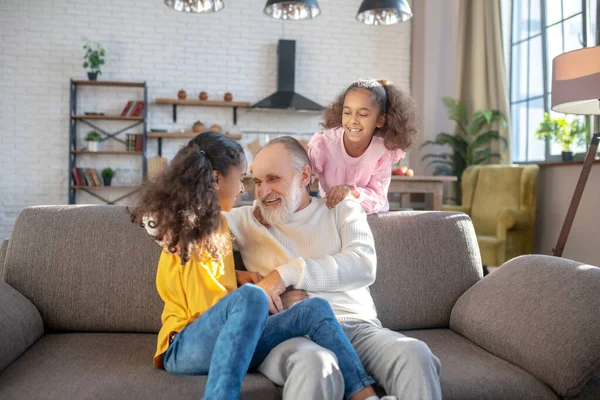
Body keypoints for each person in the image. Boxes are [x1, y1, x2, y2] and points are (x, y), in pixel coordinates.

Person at [130, 132, 390, 400]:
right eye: (242, 178)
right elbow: (204, 305)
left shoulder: (220, 226)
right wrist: (254, 297)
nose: (245, 190)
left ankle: (367, 397)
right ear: (218, 179)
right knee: (254, 296)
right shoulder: (190, 228)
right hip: (185, 344)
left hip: (229, 340)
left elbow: (209, 276)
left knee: (314, 308)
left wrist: (238, 275)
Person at [224, 136, 441, 400]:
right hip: (290, 337)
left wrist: (284, 275)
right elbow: (168, 229)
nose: (262, 192)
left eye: (273, 179)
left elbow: (363, 265)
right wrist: (241, 278)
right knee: (317, 364)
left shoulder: (340, 208)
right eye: (257, 182)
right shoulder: (247, 220)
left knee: (415, 355)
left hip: (355, 327)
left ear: (304, 176)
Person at [308, 78, 419, 214]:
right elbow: (303, 178)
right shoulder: (324, 144)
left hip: (370, 217)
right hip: (331, 214)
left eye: (362, 114)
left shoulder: (382, 151)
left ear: (379, 120)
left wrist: (351, 191)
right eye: (347, 113)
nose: (353, 120)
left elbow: (377, 199)